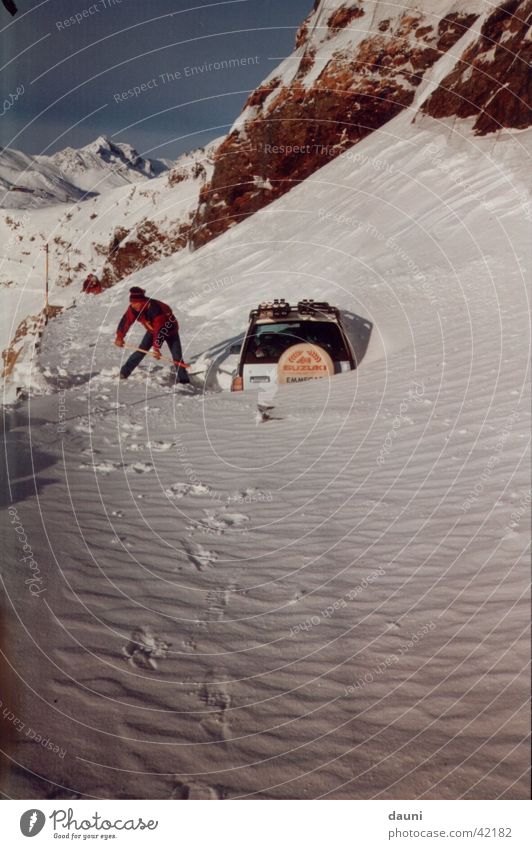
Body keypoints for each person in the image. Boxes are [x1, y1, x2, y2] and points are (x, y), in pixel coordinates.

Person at [115, 286, 190, 383]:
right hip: (153, 330)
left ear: (142, 302)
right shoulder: (134, 308)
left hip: (170, 330)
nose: (133, 305)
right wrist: (119, 336)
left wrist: (156, 348)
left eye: (135, 303)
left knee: (177, 356)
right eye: (131, 303)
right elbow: (126, 321)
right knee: (141, 350)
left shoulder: (156, 310)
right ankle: (124, 372)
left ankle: (184, 380)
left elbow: (160, 330)